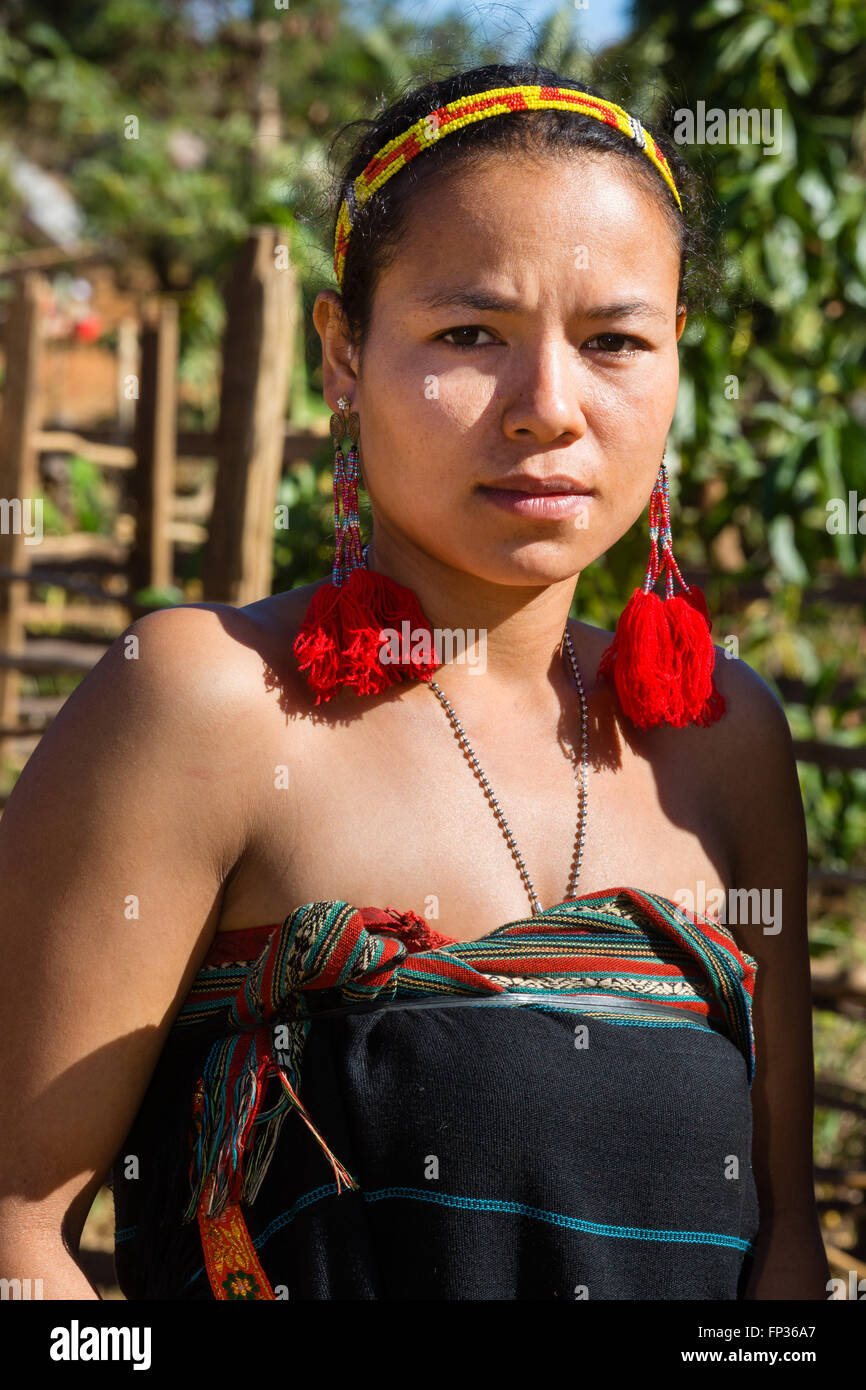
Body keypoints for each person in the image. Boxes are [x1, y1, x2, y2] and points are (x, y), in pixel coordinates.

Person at [0, 62, 828, 1301]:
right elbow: (15, 1230)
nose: (548, 408)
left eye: (613, 341)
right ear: (341, 354)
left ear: (674, 363)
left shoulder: (720, 739)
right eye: (467, 335)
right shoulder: (203, 704)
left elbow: (784, 1250)